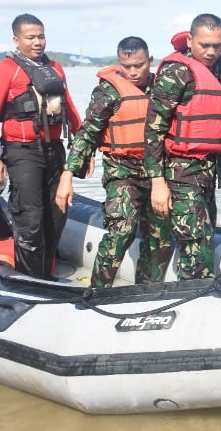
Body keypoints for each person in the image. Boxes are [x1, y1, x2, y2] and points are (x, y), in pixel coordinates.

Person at [55, 37, 173, 288]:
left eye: (139, 66)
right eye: (126, 66)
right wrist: (68, 176)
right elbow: (87, 133)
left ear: (150, 61)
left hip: (157, 174)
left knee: (161, 239)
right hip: (122, 171)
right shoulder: (108, 91)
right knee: (122, 230)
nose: (132, 72)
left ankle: (146, 290)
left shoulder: (163, 88)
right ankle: (98, 291)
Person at [145, 14, 221, 281]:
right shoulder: (176, 72)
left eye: (217, 45)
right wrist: (157, 182)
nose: (211, 52)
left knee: (205, 237)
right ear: (190, 40)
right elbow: (153, 129)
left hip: (210, 172)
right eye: (204, 45)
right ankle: (194, 300)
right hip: (181, 173)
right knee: (195, 248)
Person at [0, 13, 82, 279]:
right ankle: (29, 281)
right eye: (31, 37)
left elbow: (69, 108)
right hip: (22, 153)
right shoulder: (5, 69)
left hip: (54, 151)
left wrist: (84, 147)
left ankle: (46, 275)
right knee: (31, 219)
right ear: (17, 39)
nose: (38, 42)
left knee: (57, 215)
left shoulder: (56, 68)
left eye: (41, 36)